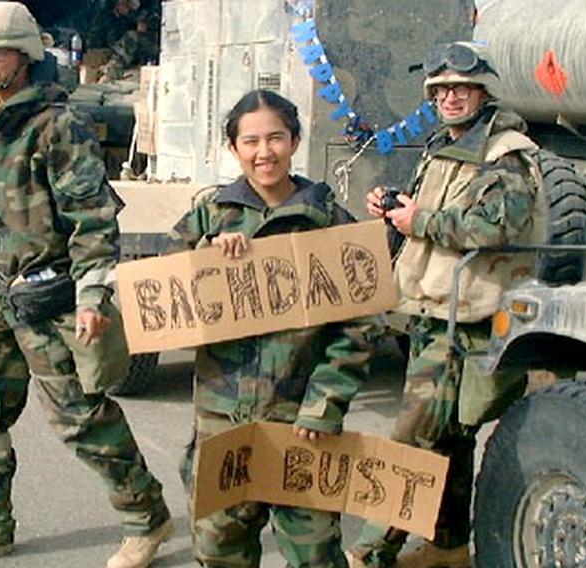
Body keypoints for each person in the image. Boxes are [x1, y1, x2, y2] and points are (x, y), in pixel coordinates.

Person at [0, 3, 172, 567]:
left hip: (47, 293)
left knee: (80, 420)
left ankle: (147, 519)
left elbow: (92, 218)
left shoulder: (57, 125)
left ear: (26, 55)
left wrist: (91, 296)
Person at [346, 42, 543, 568]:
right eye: (441, 90)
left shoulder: (507, 153)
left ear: (483, 92)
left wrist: (422, 222)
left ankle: (369, 552)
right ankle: (450, 543)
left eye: (461, 88)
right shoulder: (443, 146)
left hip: (472, 317)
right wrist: (393, 209)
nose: (450, 97)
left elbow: (499, 226)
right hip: (437, 309)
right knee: (449, 437)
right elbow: (426, 210)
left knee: (412, 438)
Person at [167, 89, 377, 568]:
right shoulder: (211, 215)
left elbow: (361, 325)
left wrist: (323, 405)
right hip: (223, 421)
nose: (265, 152)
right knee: (219, 547)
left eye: (276, 138)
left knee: (314, 551)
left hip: (302, 423)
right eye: (251, 141)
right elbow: (161, 299)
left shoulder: (325, 220)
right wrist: (207, 256)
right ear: (233, 148)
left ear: (296, 140)